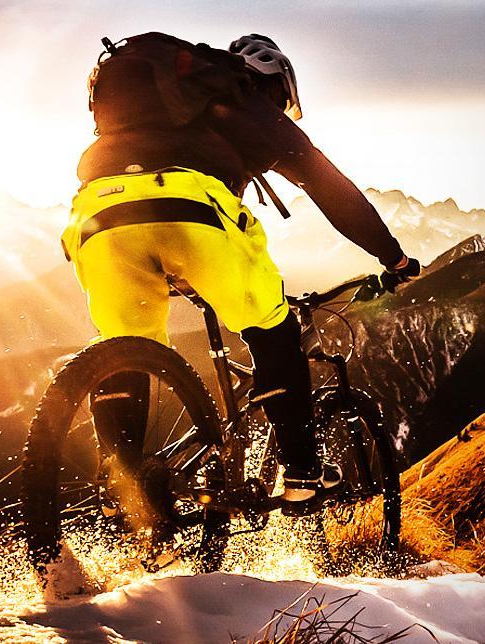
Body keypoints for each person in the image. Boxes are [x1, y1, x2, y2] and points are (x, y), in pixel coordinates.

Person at [62, 32, 420, 513]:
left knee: (124, 346)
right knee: (273, 328)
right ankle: (302, 476)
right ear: (276, 85)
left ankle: (119, 489)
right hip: (192, 212)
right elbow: (329, 187)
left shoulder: (159, 98)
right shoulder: (244, 98)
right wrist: (394, 258)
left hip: (97, 217)